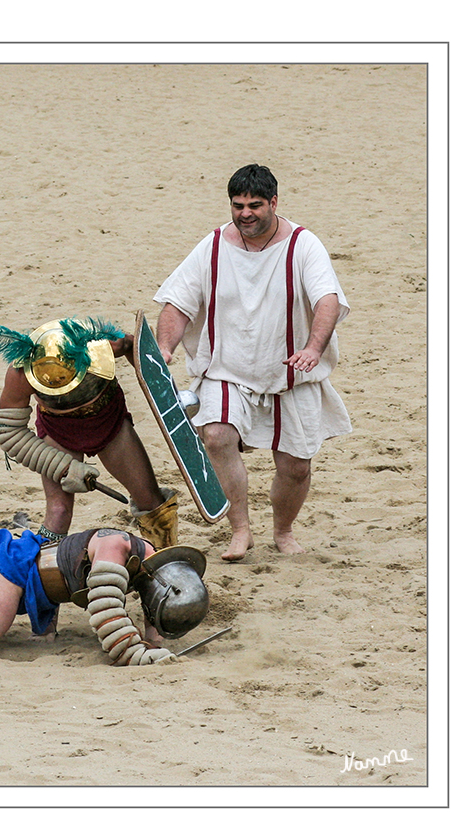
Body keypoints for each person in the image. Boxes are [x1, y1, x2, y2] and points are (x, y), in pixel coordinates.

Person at [154, 164, 351, 561]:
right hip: (227, 369)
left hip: (291, 372)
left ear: (274, 202)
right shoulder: (212, 246)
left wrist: (313, 348)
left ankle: (283, 530)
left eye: (255, 205)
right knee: (217, 437)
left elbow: (327, 299)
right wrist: (164, 347)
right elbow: (178, 302)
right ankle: (240, 529)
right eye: (238, 205)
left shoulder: (302, 244)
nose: (245, 213)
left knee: (295, 467)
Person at [0, 501, 210, 666]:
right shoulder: (115, 548)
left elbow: (154, 616)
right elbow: (108, 615)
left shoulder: (150, 562)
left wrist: (156, 642)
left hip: (13, 566)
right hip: (11, 574)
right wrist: (141, 656)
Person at [0, 315, 178, 549]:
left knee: (151, 503)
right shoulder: (20, 374)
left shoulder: (107, 345)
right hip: (59, 432)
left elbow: (137, 350)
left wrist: (161, 393)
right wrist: (64, 468)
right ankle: (46, 577)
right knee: (58, 512)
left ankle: (167, 559)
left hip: (110, 423)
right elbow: (9, 432)